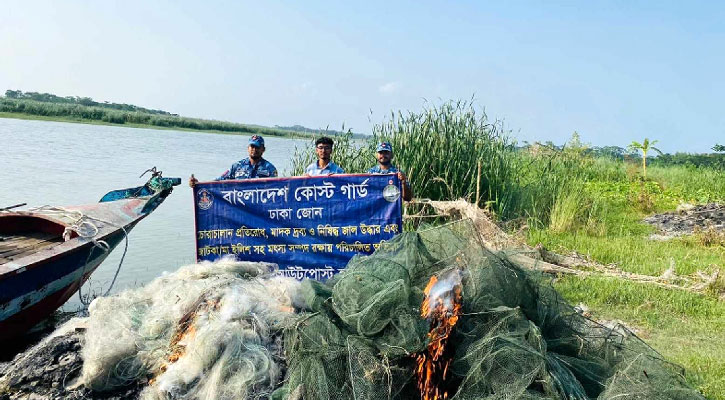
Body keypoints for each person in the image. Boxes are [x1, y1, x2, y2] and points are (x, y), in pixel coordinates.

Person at [189, 135, 277, 187]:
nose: (254, 149)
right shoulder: (237, 166)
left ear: (263, 149)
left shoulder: (270, 169)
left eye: (257, 147)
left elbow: (277, 188)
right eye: (252, 146)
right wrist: (198, 184)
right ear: (248, 148)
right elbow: (218, 182)